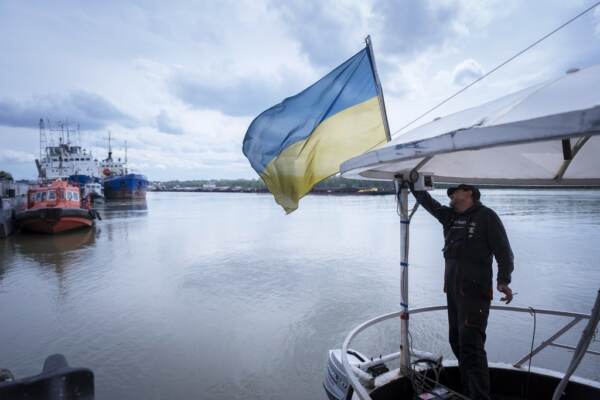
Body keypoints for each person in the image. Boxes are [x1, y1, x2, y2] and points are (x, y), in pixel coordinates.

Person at [410, 183, 514, 400]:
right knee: (456, 341)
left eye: (455, 192)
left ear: (469, 193)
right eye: (450, 194)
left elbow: (503, 251)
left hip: (475, 294)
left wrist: (503, 280)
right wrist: (413, 184)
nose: (451, 196)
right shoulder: (449, 217)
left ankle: (479, 396)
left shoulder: (487, 217)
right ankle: (470, 390)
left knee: (472, 346)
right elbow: (429, 203)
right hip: (454, 292)